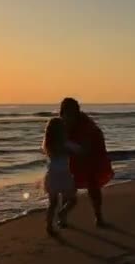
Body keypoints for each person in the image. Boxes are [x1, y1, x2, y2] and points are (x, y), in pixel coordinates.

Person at [59, 98, 114, 227]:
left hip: (92, 159)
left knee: (93, 187)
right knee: (67, 188)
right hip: (73, 158)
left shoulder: (87, 125)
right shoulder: (62, 125)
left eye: (71, 113)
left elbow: (86, 148)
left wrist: (69, 146)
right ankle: (63, 219)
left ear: (76, 112)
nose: (68, 117)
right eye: (66, 114)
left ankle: (99, 218)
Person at [41, 117, 80, 236]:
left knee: (52, 203)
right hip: (64, 175)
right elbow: (79, 150)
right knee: (72, 200)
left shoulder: (47, 145)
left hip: (52, 175)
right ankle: (62, 214)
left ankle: (49, 227)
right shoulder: (65, 144)